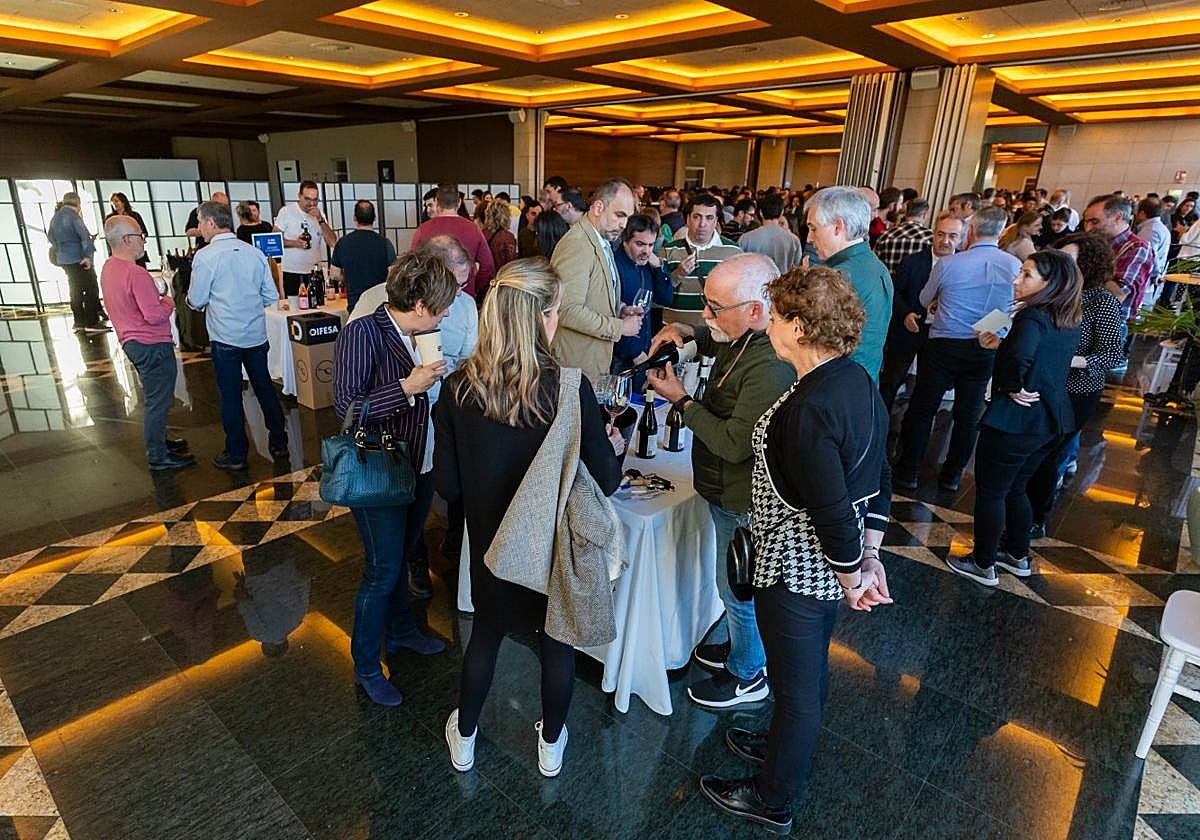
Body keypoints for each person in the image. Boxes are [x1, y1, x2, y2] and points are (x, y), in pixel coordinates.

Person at [698, 264, 891, 835]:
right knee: (800, 674)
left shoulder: (808, 408)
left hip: (796, 566)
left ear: (801, 328)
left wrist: (854, 575)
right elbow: (879, 474)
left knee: (798, 686)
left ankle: (772, 797)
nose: (770, 324)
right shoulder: (854, 379)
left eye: (778, 316)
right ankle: (782, 745)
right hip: (827, 562)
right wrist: (870, 555)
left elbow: (831, 506)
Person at [437, 258, 622, 777]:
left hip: (490, 549)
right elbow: (607, 481)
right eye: (557, 311)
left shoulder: (458, 388)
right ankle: (551, 746)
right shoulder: (569, 387)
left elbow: (448, 487)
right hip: (551, 549)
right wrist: (609, 444)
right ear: (541, 317)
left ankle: (465, 738)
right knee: (555, 643)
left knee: (485, 637)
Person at [646, 254, 796, 709]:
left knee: (736, 588)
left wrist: (681, 401)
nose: (707, 314)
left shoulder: (772, 364)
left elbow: (734, 443)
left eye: (715, 307)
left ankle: (747, 673)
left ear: (756, 309)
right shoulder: (748, 332)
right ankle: (740, 648)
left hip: (742, 494)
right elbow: (715, 339)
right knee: (732, 584)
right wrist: (686, 330)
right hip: (724, 487)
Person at [333, 250, 458, 706]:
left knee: (405, 554)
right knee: (382, 570)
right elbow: (347, 408)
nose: (447, 315)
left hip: (417, 463)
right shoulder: (363, 332)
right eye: (443, 307)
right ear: (421, 304)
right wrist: (408, 386)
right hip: (378, 468)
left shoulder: (419, 334)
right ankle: (366, 665)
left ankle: (403, 631)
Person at [351, 235, 480, 596]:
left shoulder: (465, 306)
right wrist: (407, 386)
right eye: (453, 286)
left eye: (463, 285)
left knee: (444, 483)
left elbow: (470, 358)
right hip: (391, 427)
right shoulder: (375, 304)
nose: (458, 296)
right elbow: (354, 395)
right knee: (395, 526)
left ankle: (450, 542)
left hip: (443, 410)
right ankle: (414, 561)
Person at [948, 250, 1083, 586]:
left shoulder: (1031, 317)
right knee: (1017, 487)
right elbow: (1038, 355)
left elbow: (1021, 355)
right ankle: (1017, 554)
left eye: (1026, 275)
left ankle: (983, 563)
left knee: (991, 492)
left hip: (1017, 421)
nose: (1016, 280)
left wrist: (1012, 386)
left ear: (1050, 283)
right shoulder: (1065, 317)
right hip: (1050, 420)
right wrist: (1003, 348)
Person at [894, 207, 1018, 492]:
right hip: (985, 344)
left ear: (970, 231)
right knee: (968, 414)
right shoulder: (1014, 265)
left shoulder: (950, 264)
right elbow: (1014, 307)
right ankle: (952, 475)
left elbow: (924, 298)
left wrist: (944, 302)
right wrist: (986, 326)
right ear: (1001, 232)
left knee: (923, 408)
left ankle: (908, 471)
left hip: (945, 343)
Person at [1027, 234, 1124, 536]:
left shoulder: (1101, 300)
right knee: (1031, 452)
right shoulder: (1052, 292)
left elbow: (1113, 354)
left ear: (1088, 264)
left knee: (1047, 455)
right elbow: (1011, 314)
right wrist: (986, 330)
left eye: (1069, 259)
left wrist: (1070, 360)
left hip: (1076, 392)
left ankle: (1034, 518)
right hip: (1041, 384)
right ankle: (1019, 514)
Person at [187, 200, 288, 471]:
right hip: (256, 335)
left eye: (200, 222)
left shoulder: (205, 256)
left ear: (211, 223)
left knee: (230, 395)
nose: (199, 228)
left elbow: (196, 300)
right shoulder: (254, 253)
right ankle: (280, 442)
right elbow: (270, 295)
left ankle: (236, 454)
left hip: (225, 337)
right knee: (265, 388)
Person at [99, 215, 194, 471]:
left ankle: (160, 442)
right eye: (140, 236)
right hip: (151, 343)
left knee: (155, 397)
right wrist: (169, 302)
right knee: (158, 401)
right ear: (127, 239)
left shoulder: (109, 268)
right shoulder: (136, 273)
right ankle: (158, 454)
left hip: (131, 341)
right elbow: (153, 315)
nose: (143, 241)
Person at [549, 178, 642, 385]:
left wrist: (619, 309)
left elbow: (593, 295)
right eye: (619, 215)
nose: (624, 225)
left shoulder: (600, 240)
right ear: (598, 207)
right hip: (575, 369)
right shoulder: (578, 244)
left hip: (591, 365)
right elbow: (567, 310)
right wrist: (619, 327)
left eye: (627, 217)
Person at [804, 186, 893, 382]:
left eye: (813, 228)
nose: (809, 238)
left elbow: (813, 345)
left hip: (836, 384)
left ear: (838, 227)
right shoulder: (876, 265)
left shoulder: (838, 277)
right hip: (864, 382)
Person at [878, 214, 965, 410]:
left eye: (952, 236)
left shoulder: (965, 266)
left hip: (941, 335)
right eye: (940, 234)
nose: (945, 241)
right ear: (933, 234)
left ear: (961, 238)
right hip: (908, 330)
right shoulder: (912, 261)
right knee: (892, 380)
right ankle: (881, 419)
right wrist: (905, 314)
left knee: (928, 388)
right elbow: (894, 292)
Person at [661, 192, 743, 324]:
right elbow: (659, 294)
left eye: (709, 218)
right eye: (697, 217)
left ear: (716, 221)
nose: (702, 224)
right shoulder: (669, 250)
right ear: (687, 219)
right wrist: (678, 274)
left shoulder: (733, 251)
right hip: (674, 327)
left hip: (716, 329)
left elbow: (740, 294)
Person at [611, 214, 674, 382]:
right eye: (640, 244)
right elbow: (612, 312)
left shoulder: (646, 265)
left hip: (644, 351)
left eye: (651, 245)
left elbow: (666, 299)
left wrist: (659, 267)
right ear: (625, 241)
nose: (646, 251)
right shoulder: (614, 266)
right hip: (620, 358)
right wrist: (636, 353)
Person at [411, 183, 495, 299]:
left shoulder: (423, 230)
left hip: (432, 297)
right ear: (459, 202)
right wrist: (474, 286)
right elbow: (488, 266)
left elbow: (412, 265)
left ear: (437, 202)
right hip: (465, 294)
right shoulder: (473, 228)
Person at [1082, 194, 1153, 325]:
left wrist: (1088, 267)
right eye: (1085, 222)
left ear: (1117, 218)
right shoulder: (1096, 243)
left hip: (1111, 325)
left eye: (1095, 222)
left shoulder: (1137, 247)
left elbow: (1118, 294)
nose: (1088, 228)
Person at [48, 191, 107, 334]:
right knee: (91, 288)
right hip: (78, 259)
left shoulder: (55, 218)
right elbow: (84, 238)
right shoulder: (74, 217)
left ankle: (79, 321)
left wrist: (62, 247)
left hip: (63, 259)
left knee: (75, 289)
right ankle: (92, 322)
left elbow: (50, 237)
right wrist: (87, 256)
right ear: (77, 203)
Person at [330, 199, 396, 314]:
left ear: (354, 217)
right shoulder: (385, 243)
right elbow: (393, 274)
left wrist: (350, 278)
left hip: (355, 304)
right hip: (380, 303)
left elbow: (334, 274)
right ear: (374, 218)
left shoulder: (343, 243)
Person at [274, 181, 338, 297]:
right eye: (308, 199)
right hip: (292, 271)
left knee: (318, 303)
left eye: (315, 200)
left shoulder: (319, 214)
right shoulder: (286, 212)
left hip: (315, 270)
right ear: (299, 196)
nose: (312, 203)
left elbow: (333, 242)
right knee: (294, 305)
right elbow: (274, 241)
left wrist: (320, 219)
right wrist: (295, 243)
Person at [738, 193, 802, 274]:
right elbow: (797, 269)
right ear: (782, 212)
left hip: (754, 281)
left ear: (761, 213)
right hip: (783, 281)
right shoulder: (794, 240)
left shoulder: (746, 238)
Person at [873, 198, 933, 275]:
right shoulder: (930, 237)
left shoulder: (885, 236)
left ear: (906, 213)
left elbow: (874, 264)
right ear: (924, 215)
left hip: (889, 281)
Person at [1135, 197, 1170, 305]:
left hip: (1145, 281)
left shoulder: (1149, 230)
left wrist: (1156, 274)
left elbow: (1150, 255)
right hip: (1150, 281)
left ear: (1142, 213)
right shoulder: (1161, 228)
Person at [106, 192, 150, 268]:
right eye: (112, 202)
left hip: (134, 248)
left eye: (116, 201)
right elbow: (109, 236)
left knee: (139, 270)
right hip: (120, 251)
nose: (114, 203)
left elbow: (144, 232)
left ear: (123, 202)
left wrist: (141, 239)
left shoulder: (134, 215)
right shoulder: (110, 218)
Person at [481, 198, 518, 274]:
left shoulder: (481, 234)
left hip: (485, 276)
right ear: (506, 216)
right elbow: (511, 264)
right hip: (502, 276)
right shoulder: (508, 237)